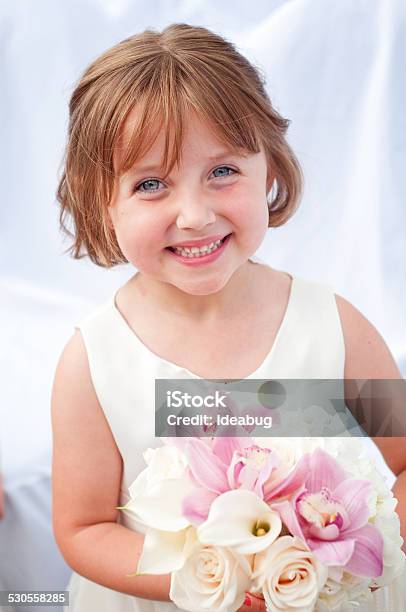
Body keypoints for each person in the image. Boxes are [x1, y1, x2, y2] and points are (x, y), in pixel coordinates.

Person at [51, 23, 406, 611]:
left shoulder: (335, 326)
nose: (193, 215)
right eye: (150, 184)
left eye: (222, 172)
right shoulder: (93, 361)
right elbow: (83, 529)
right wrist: (221, 582)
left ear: (269, 167)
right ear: (100, 200)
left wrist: (363, 559)